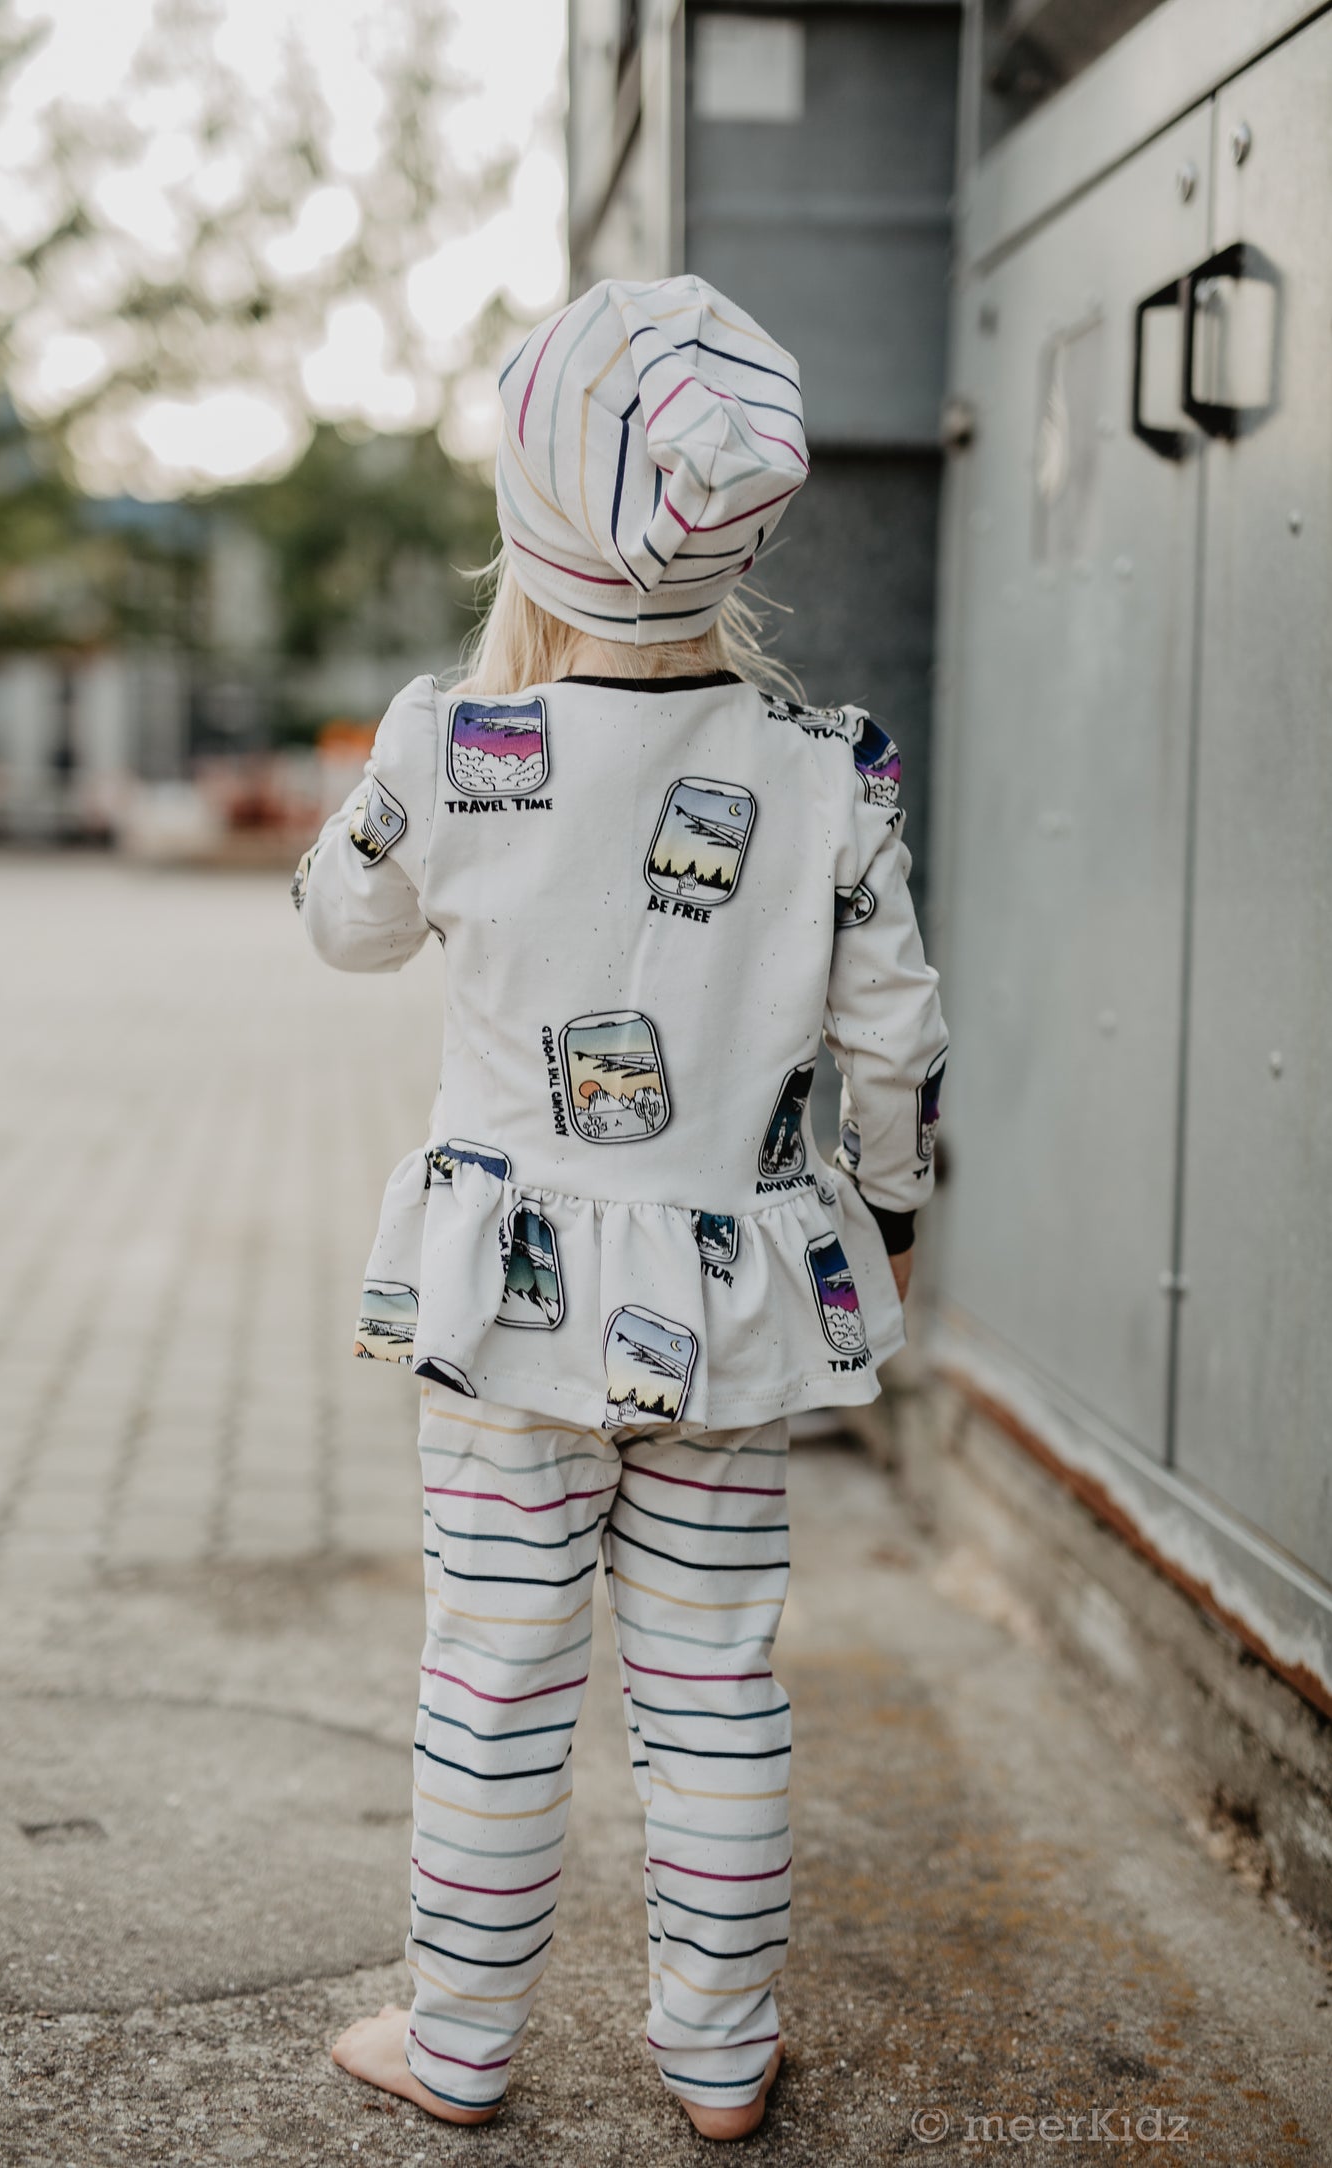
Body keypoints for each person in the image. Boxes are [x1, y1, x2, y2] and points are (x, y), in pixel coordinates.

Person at [295, 275, 948, 2141]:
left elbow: (346, 929)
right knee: (716, 1679)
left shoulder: (458, 742)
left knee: (496, 1677)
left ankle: (465, 2042)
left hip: (506, 1318)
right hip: (731, 1305)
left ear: (534, 520)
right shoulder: (826, 765)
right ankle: (721, 2053)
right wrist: (884, 1217)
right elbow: (898, 1037)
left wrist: (396, 790)